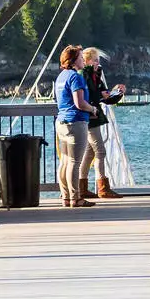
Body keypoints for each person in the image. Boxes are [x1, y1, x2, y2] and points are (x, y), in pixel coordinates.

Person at [80, 47, 127, 200]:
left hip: (94, 116)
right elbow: (86, 95)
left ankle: (82, 186)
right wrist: (101, 94)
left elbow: (105, 97)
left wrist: (117, 93)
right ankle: (102, 188)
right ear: (86, 61)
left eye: (98, 60)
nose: (97, 63)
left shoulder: (95, 75)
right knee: (100, 151)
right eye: (94, 60)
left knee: (90, 153)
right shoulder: (83, 75)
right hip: (88, 116)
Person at [53, 45, 96, 208]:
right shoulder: (75, 77)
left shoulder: (61, 76)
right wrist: (92, 109)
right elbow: (79, 103)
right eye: (80, 57)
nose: (83, 60)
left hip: (62, 121)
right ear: (72, 61)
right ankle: (76, 198)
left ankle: (65, 196)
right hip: (75, 122)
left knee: (64, 161)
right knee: (74, 162)